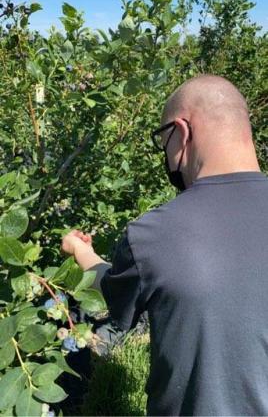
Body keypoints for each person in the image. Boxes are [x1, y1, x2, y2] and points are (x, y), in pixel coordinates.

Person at [62, 74, 268, 416]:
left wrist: (78, 249)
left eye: (164, 141)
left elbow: (110, 285)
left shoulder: (152, 235)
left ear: (182, 132)